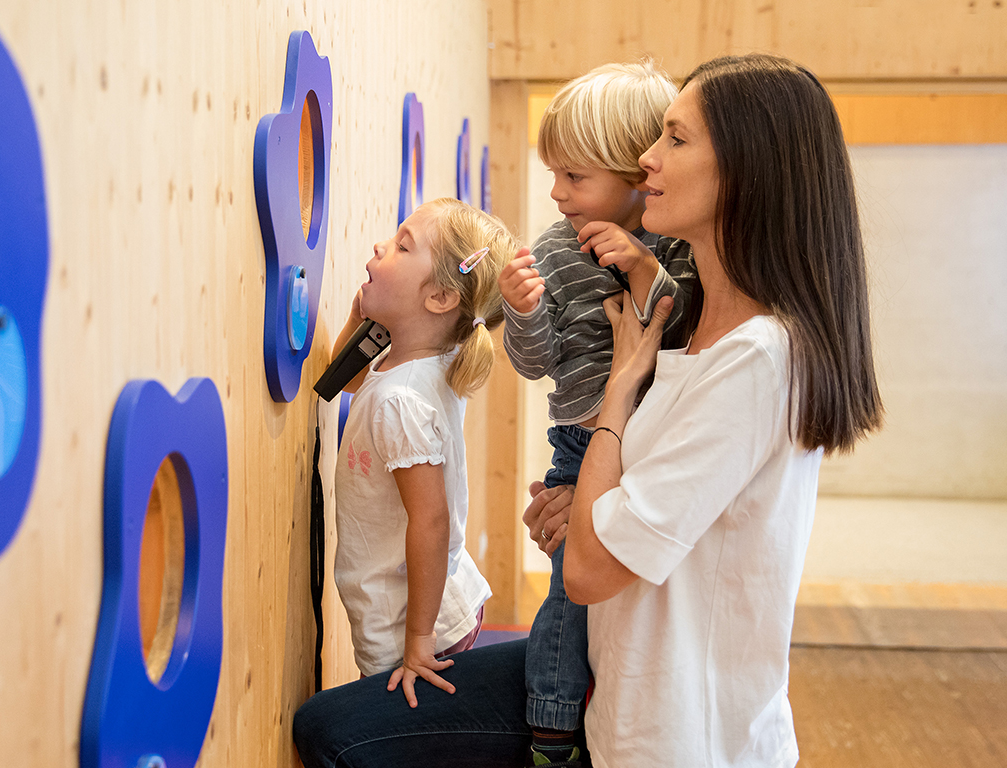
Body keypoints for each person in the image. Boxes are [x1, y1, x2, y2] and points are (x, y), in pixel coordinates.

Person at [294, 53, 883, 768]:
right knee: (333, 727)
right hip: (616, 685)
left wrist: (617, 396)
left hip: (675, 736)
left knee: (339, 734)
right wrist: (579, 497)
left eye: (675, 139)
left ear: (744, 171)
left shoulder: (756, 357)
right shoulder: (688, 316)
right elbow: (634, 485)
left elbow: (593, 568)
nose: (647, 158)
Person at [498, 61, 697, 767]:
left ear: (633, 175)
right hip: (580, 442)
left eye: (574, 178)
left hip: (651, 446)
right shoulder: (553, 249)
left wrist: (644, 265)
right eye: (553, 174)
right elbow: (532, 361)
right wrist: (521, 312)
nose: (556, 194)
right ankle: (552, 726)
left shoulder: (679, 244)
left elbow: (687, 329)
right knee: (565, 591)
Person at [328, 197, 519, 708]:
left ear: (438, 297)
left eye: (401, 245)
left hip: (411, 627)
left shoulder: (401, 401)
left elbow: (430, 522)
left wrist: (417, 644)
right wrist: (361, 322)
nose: (379, 245)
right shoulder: (426, 352)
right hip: (442, 602)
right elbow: (345, 384)